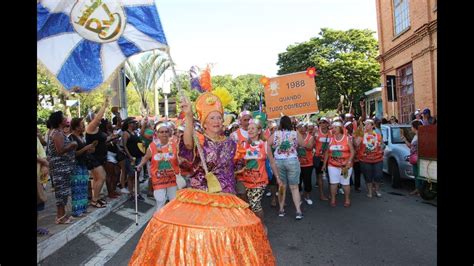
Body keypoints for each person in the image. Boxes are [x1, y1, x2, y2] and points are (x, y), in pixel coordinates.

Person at [130, 92, 275, 265]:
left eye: (219, 118)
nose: (216, 121)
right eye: (212, 117)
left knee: (227, 240)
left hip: (227, 198)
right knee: (202, 238)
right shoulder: (199, 140)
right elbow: (188, 145)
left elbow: (238, 166)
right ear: (204, 122)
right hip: (201, 197)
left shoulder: (231, 143)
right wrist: (189, 116)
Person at [267, 116, 310, 220]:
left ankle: (281, 210)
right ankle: (298, 211)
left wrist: (271, 157)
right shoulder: (295, 133)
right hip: (292, 160)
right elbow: (304, 144)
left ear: (280, 124)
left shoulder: (275, 134)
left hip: (279, 161)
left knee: (282, 186)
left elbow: (267, 144)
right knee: (294, 187)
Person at [236, 118, 279, 221]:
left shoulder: (264, 145)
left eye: (252, 128)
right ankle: (252, 225)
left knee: (255, 204)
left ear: (259, 131)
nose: (249, 130)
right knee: (248, 204)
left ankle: (261, 225)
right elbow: (238, 161)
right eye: (248, 128)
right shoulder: (244, 145)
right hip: (245, 180)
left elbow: (272, 162)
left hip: (260, 181)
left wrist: (277, 177)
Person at [136, 122, 178, 211]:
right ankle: (158, 222)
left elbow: (179, 158)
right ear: (157, 134)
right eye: (161, 132)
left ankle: (172, 221)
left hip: (172, 178)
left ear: (169, 133)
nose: (164, 134)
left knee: (173, 201)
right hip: (158, 178)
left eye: (166, 131)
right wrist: (139, 165)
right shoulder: (152, 146)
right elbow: (146, 157)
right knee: (161, 200)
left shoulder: (174, 145)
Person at [47, 111, 77, 224]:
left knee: (63, 192)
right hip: (60, 168)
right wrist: (72, 144)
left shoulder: (57, 132)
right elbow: (60, 150)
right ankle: (60, 217)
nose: (66, 119)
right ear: (59, 121)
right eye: (64, 117)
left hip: (62, 167)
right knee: (61, 193)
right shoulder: (57, 133)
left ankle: (62, 215)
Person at [322, 121, 355, 207]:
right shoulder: (331, 139)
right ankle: (333, 199)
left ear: (340, 129)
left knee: (345, 183)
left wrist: (348, 162)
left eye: (335, 127)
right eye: (333, 128)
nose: (333, 129)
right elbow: (326, 153)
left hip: (345, 166)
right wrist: (324, 164)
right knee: (333, 183)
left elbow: (352, 152)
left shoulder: (347, 138)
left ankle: (347, 199)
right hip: (332, 165)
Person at [69, 118, 96, 217]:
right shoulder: (71, 138)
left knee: (84, 186)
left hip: (83, 163)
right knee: (77, 188)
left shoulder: (81, 136)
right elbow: (73, 154)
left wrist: (90, 149)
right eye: (81, 125)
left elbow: (84, 151)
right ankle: (77, 210)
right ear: (76, 127)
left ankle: (83, 207)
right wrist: (85, 148)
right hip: (76, 165)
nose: (84, 126)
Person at [85, 99, 109, 208]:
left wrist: (110, 138)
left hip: (99, 156)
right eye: (95, 117)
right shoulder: (90, 127)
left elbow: (100, 140)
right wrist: (105, 105)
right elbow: (98, 117)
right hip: (93, 157)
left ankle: (97, 198)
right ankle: (94, 200)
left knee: (96, 179)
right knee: (102, 177)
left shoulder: (97, 128)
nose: (98, 119)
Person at [355, 119, 384, 198]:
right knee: (368, 176)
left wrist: (381, 149)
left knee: (378, 176)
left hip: (377, 159)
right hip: (365, 160)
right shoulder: (362, 134)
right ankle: (370, 192)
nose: (366, 126)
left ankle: (377, 190)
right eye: (365, 124)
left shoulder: (377, 135)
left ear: (373, 126)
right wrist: (360, 134)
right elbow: (356, 144)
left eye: (368, 124)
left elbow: (382, 145)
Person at [231, 110, 252, 202]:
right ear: (240, 120)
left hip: (254, 167)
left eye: (249, 119)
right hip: (241, 169)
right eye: (245, 120)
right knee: (242, 194)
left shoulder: (257, 132)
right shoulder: (235, 135)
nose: (247, 122)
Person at [122, 117, 145, 201]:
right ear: (129, 124)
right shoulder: (126, 133)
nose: (135, 124)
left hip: (138, 157)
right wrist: (130, 156)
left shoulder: (134, 132)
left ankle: (137, 193)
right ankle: (131, 193)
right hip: (131, 158)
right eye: (133, 123)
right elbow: (124, 146)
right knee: (131, 176)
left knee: (137, 176)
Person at [402, 120, 424, 195]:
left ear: (415, 127)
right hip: (415, 157)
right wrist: (405, 140)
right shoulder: (415, 136)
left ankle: (421, 190)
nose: (411, 128)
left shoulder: (421, 136)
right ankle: (418, 189)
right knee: (416, 174)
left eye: (412, 126)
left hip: (419, 157)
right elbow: (411, 147)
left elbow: (413, 147)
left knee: (420, 174)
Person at [296, 122, 315, 205]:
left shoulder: (310, 137)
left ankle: (307, 196)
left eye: (303, 127)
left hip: (308, 163)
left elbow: (310, 147)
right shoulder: (294, 137)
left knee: (307, 181)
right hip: (297, 164)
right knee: (298, 182)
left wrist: (300, 144)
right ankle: (299, 197)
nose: (302, 129)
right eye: (300, 128)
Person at [312, 117, 331, 201]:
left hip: (330, 157)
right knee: (319, 177)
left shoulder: (331, 133)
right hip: (319, 158)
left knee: (330, 176)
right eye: (321, 123)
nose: (322, 124)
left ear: (327, 124)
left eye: (324, 122)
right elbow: (312, 145)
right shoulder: (316, 133)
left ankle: (331, 193)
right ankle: (321, 194)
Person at [37, 135, 50, 235]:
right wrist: (44, 162)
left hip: (39, 177)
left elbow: (42, 153)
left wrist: (44, 165)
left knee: (38, 202)